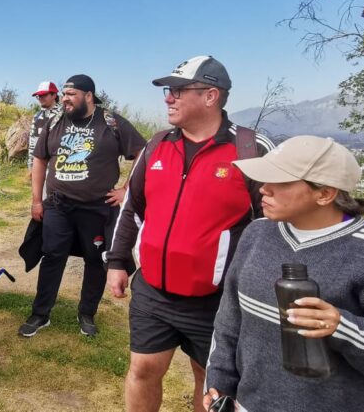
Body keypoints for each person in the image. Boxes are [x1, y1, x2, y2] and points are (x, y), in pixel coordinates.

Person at [204, 136, 364, 411]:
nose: (264, 189)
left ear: (325, 194)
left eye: (281, 182)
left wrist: (345, 329)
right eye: (264, 179)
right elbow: (230, 319)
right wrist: (219, 383)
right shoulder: (256, 234)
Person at [106, 56, 274, 412]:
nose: (169, 98)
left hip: (216, 300)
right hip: (153, 289)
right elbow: (132, 208)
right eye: (169, 91)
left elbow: (275, 225)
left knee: (210, 379)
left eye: (178, 90)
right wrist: (118, 261)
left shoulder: (251, 149)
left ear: (211, 95)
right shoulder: (156, 145)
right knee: (143, 368)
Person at [22, 74, 146, 338]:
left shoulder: (110, 122)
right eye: (64, 94)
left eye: (71, 94)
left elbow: (141, 152)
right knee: (52, 255)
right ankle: (40, 313)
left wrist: (127, 189)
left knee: (95, 260)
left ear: (88, 96)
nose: (65, 99)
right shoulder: (55, 121)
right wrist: (36, 199)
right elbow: (40, 159)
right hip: (58, 204)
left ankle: (87, 313)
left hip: (96, 207)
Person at [28, 81, 62, 170]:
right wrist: (31, 166)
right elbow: (33, 143)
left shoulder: (64, 114)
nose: (40, 98)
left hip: (59, 165)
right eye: (39, 96)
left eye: (44, 95)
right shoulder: (37, 117)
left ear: (54, 95)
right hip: (40, 165)